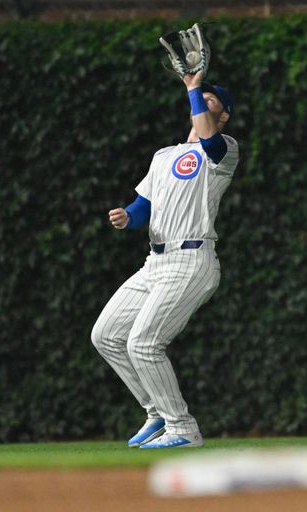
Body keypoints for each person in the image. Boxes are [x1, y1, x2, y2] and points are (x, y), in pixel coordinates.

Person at [90, 69, 239, 449]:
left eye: (211, 100)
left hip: (193, 259)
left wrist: (192, 86)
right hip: (155, 263)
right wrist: (128, 216)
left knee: (143, 343)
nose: (203, 100)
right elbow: (144, 208)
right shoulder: (163, 156)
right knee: (106, 335)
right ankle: (156, 412)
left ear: (223, 116)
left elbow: (207, 138)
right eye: (199, 97)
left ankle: (183, 429)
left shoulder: (222, 149)